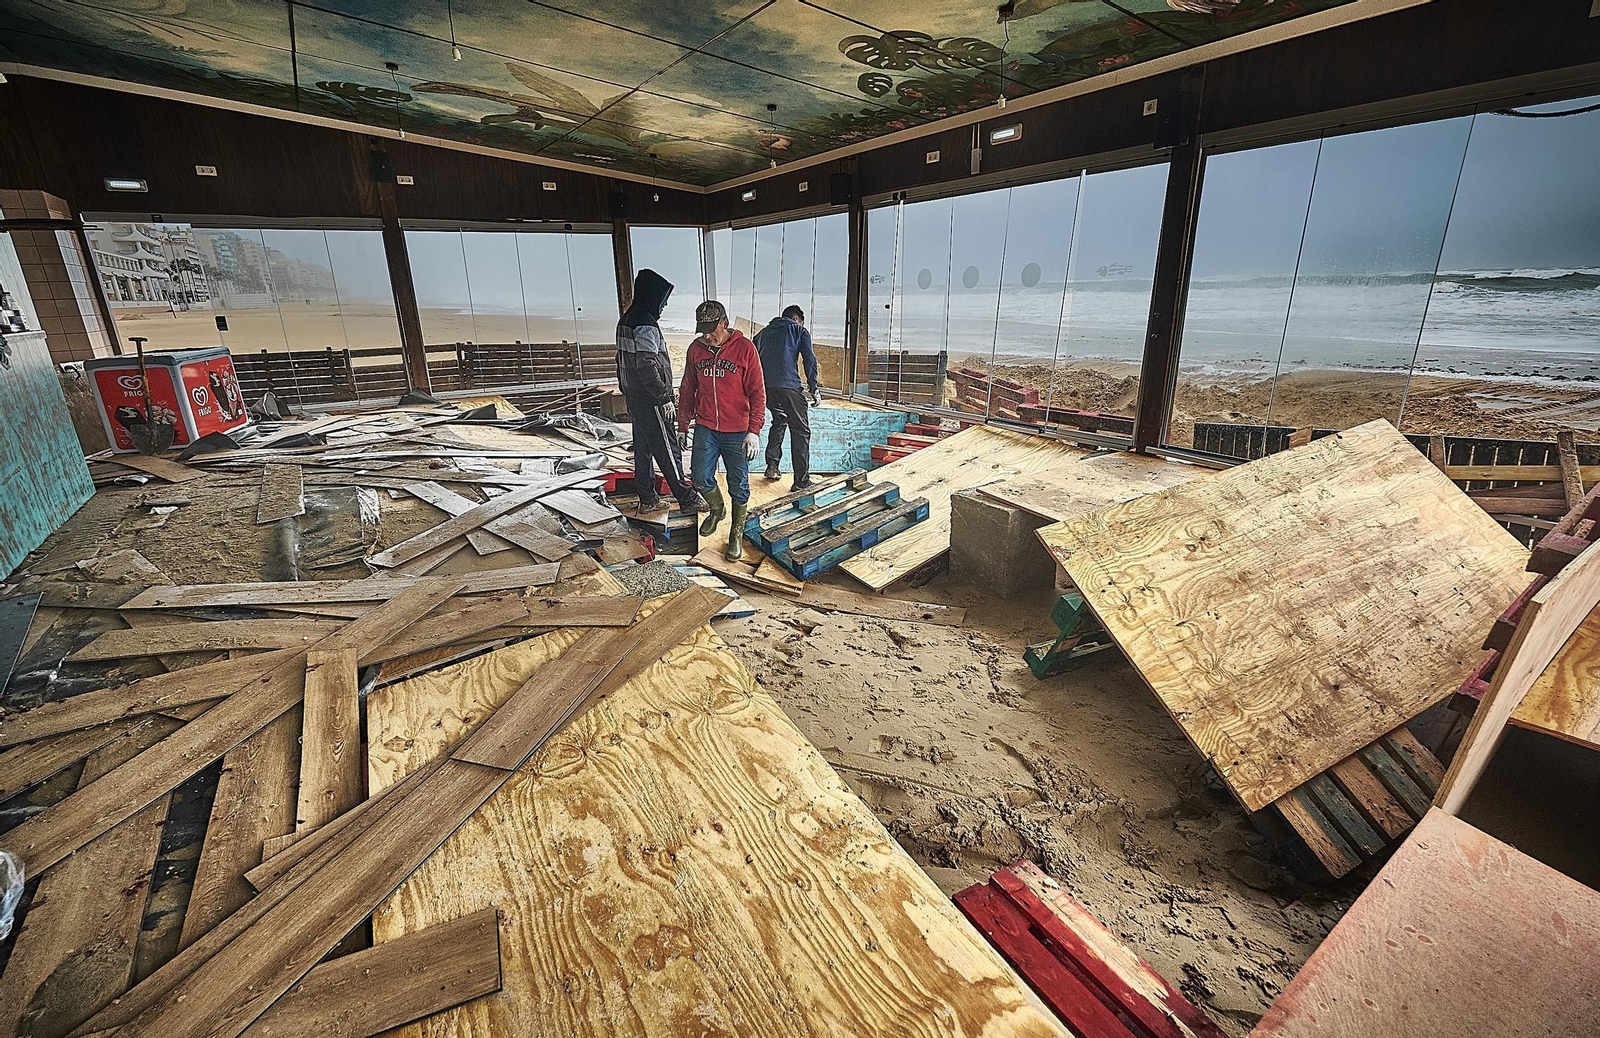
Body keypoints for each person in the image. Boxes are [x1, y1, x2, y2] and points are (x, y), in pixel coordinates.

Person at [677, 300, 766, 561]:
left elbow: (758, 393)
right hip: (706, 426)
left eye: (711, 329)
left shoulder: (745, 349)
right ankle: (717, 509)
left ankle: (736, 532)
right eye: (702, 330)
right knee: (700, 476)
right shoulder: (696, 350)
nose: (706, 335)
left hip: (738, 429)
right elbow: (687, 388)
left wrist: (754, 430)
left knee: (739, 484)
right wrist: (683, 424)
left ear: (724, 323)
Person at [615, 268, 706, 514]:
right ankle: (687, 498)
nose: (663, 305)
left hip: (634, 396)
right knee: (667, 448)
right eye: (662, 300)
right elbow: (646, 364)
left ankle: (647, 499)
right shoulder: (645, 324)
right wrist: (663, 397)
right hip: (651, 398)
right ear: (651, 295)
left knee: (643, 449)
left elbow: (622, 361)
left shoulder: (626, 319)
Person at [753, 304, 821, 491]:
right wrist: (814, 387)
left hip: (765, 388)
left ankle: (772, 466)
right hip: (789, 386)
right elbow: (809, 359)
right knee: (800, 431)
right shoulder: (799, 330)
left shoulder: (762, 334)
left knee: (780, 419)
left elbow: (751, 361)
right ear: (796, 319)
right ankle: (801, 482)